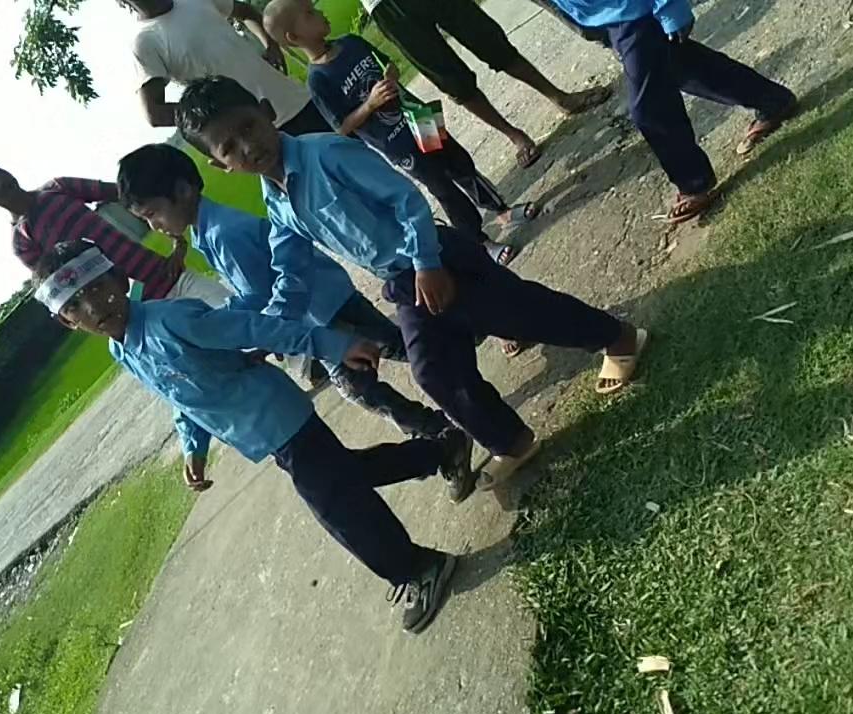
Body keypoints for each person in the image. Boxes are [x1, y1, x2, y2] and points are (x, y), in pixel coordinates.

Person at [174, 76, 652, 489]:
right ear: (220, 165)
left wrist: (427, 262)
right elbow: (291, 273)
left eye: (247, 128)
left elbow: (406, 200)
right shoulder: (277, 203)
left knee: (520, 311)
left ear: (265, 111)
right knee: (434, 370)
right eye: (229, 147)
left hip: (435, 257)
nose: (247, 146)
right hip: (402, 282)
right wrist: (266, 333)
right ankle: (513, 441)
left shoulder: (325, 153)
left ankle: (620, 338)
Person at [32, 239, 472, 633]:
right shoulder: (122, 347)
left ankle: (419, 568)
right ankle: (442, 450)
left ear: (118, 277)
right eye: (75, 305)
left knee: (339, 508)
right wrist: (193, 446)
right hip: (260, 431)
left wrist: (331, 345)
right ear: (68, 323)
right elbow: (178, 396)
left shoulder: (170, 321)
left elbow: (253, 328)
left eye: (95, 288)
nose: (93, 307)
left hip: (279, 417)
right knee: (350, 475)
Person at [116, 143, 454, 458]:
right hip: (320, 302)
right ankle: (452, 387)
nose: (154, 225)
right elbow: (254, 294)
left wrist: (241, 334)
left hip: (321, 309)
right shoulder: (207, 231)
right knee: (397, 349)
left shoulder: (223, 235)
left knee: (369, 377)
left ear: (182, 191)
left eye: (153, 213)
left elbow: (259, 297)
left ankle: (441, 429)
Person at [264, 0, 535, 266]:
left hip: (418, 116)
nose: (320, 13)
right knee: (442, 187)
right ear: (294, 36)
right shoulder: (318, 80)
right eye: (310, 14)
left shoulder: (351, 42)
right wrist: (370, 104)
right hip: (397, 143)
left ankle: (502, 210)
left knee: (460, 162)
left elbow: (387, 64)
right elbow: (342, 127)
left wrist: (390, 74)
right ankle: (479, 241)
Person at [543, 0, 799, 224]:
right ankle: (773, 102)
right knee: (684, 67)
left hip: (633, 12)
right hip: (604, 17)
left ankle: (694, 184)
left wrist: (669, 7)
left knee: (649, 109)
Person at [0, 151, 230, 304]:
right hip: (144, 313)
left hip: (173, 277)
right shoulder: (24, 243)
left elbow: (133, 196)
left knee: (250, 325)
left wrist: (177, 244)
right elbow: (70, 293)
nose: (0, 182)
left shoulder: (58, 188)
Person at [361, 0, 610, 168]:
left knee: (487, 37)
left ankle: (560, 97)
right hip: (385, 6)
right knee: (448, 77)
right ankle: (515, 136)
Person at [121, 0, 332, 136]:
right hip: (265, 135)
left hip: (300, 100)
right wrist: (216, 115)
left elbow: (246, 12)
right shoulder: (145, 41)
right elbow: (154, 114)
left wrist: (271, 46)